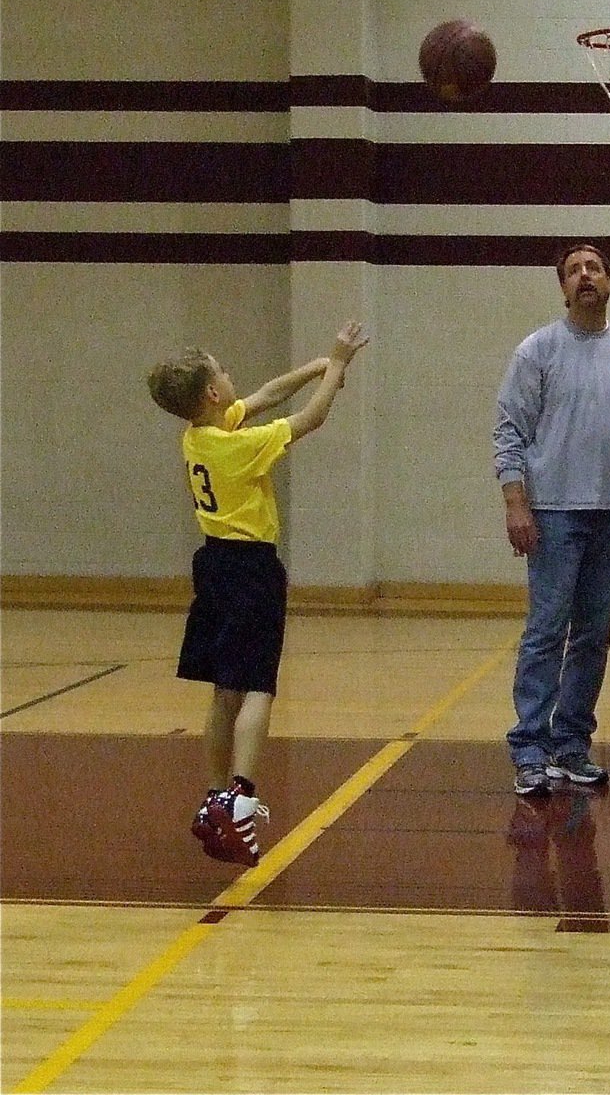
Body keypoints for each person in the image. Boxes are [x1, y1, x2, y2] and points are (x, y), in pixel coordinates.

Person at [147, 321, 370, 866]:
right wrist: (338, 367)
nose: (231, 377)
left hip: (213, 566)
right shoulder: (239, 447)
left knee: (223, 690)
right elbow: (308, 418)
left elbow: (269, 394)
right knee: (257, 688)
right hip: (251, 569)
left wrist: (320, 366)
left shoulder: (198, 435)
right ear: (211, 393)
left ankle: (215, 793)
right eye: (223, 372)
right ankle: (242, 798)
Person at [493, 244, 610, 797]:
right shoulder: (537, 352)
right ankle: (530, 749)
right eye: (573, 270)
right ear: (562, 286)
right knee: (546, 631)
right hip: (553, 514)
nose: (584, 277)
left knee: (593, 636)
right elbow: (509, 431)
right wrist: (515, 502)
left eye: (593, 269)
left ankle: (571, 745)